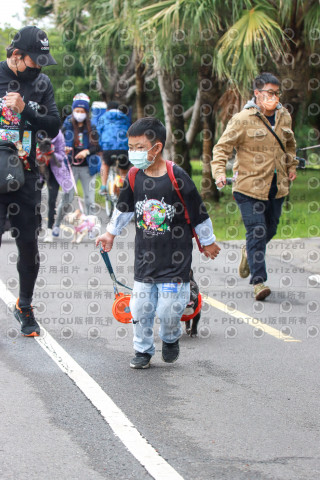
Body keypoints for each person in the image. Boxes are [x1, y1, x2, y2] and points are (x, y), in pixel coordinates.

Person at [96, 117, 221, 369]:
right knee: (140, 309)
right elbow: (123, 209)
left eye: (140, 147)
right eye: (131, 147)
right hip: (145, 260)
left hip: (176, 261)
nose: (134, 153)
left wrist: (207, 241)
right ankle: (142, 350)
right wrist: (110, 233)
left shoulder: (177, 176)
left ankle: (170, 338)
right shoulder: (133, 176)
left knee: (169, 310)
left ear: (157, 147)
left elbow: (197, 211)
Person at [211, 72, 298, 301]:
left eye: (277, 93)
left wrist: (292, 165)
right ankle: (259, 282)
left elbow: (289, 144)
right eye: (270, 93)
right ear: (257, 94)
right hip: (248, 187)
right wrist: (219, 173)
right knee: (257, 231)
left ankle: (248, 251)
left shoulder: (284, 116)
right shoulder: (242, 119)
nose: (275, 97)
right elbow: (221, 149)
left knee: (271, 229)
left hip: (276, 186)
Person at [0, 26, 60, 336]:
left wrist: (27, 111)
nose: (38, 65)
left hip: (25, 177)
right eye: (33, 60)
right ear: (15, 55)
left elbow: (53, 126)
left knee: (28, 245)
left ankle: (24, 305)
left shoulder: (41, 83)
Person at [52, 93, 100, 237]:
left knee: (89, 199)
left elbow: (98, 146)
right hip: (69, 167)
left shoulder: (92, 126)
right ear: (73, 111)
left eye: (82, 111)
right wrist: (65, 149)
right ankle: (56, 224)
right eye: (77, 111)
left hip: (87, 167)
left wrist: (86, 151)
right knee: (67, 197)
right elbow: (57, 143)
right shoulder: (66, 125)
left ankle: (91, 228)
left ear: (86, 112)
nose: (79, 114)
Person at [36, 131, 73, 242]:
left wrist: (50, 154)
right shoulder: (35, 131)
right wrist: (40, 154)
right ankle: (37, 224)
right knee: (33, 199)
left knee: (52, 201)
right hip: (38, 170)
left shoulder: (59, 135)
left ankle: (49, 231)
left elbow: (61, 155)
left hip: (54, 171)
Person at [97, 101, 131, 195]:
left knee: (105, 164)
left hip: (108, 148)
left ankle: (103, 187)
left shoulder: (103, 117)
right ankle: (125, 190)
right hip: (123, 148)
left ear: (107, 109)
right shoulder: (125, 117)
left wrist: (100, 146)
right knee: (123, 171)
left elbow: (99, 132)